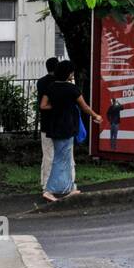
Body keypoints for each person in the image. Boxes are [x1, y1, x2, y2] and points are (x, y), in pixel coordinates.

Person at [40, 60, 102, 202]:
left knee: (65, 158)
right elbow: (84, 107)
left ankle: (70, 188)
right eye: (72, 72)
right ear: (68, 73)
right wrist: (96, 116)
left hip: (54, 126)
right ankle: (49, 190)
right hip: (67, 127)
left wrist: (56, 106)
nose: (73, 74)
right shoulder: (72, 89)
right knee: (60, 159)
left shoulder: (51, 87)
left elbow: (43, 106)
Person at [37, 57, 59, 193]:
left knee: (47, 154)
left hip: (45, 122)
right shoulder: (58, 84)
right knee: (59, 155)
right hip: (58, 122)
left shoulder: (41, 82)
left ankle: (44, 182)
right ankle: (53, 184)